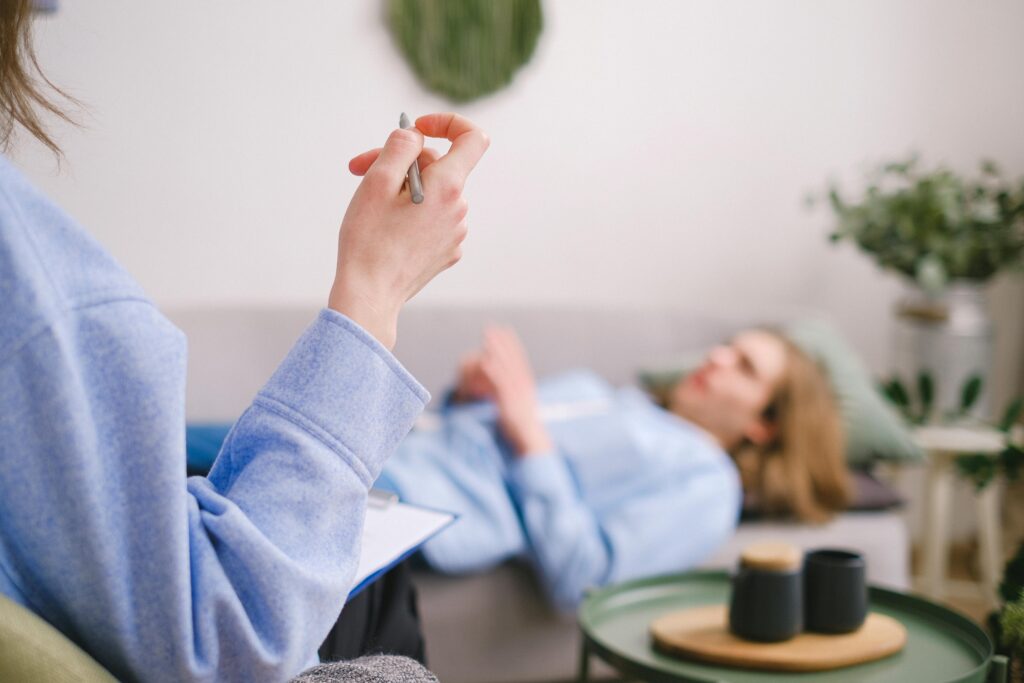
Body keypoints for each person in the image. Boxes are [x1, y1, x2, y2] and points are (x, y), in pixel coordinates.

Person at [0, 2, 488, 681]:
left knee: (372, 579)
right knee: (375, 590)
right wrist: (375, 286)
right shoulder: (28, 284)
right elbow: (231, 636)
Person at [374, 325, 851, 609]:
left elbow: (585, 579)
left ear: (764, 425)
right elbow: (466, 434)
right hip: (385, 449)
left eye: (744, 366)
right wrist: (470, 394)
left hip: (407, 500)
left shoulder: (708, 482)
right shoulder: (611, 396)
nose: (717, 356)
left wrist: (530, 439)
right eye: (728, 346)